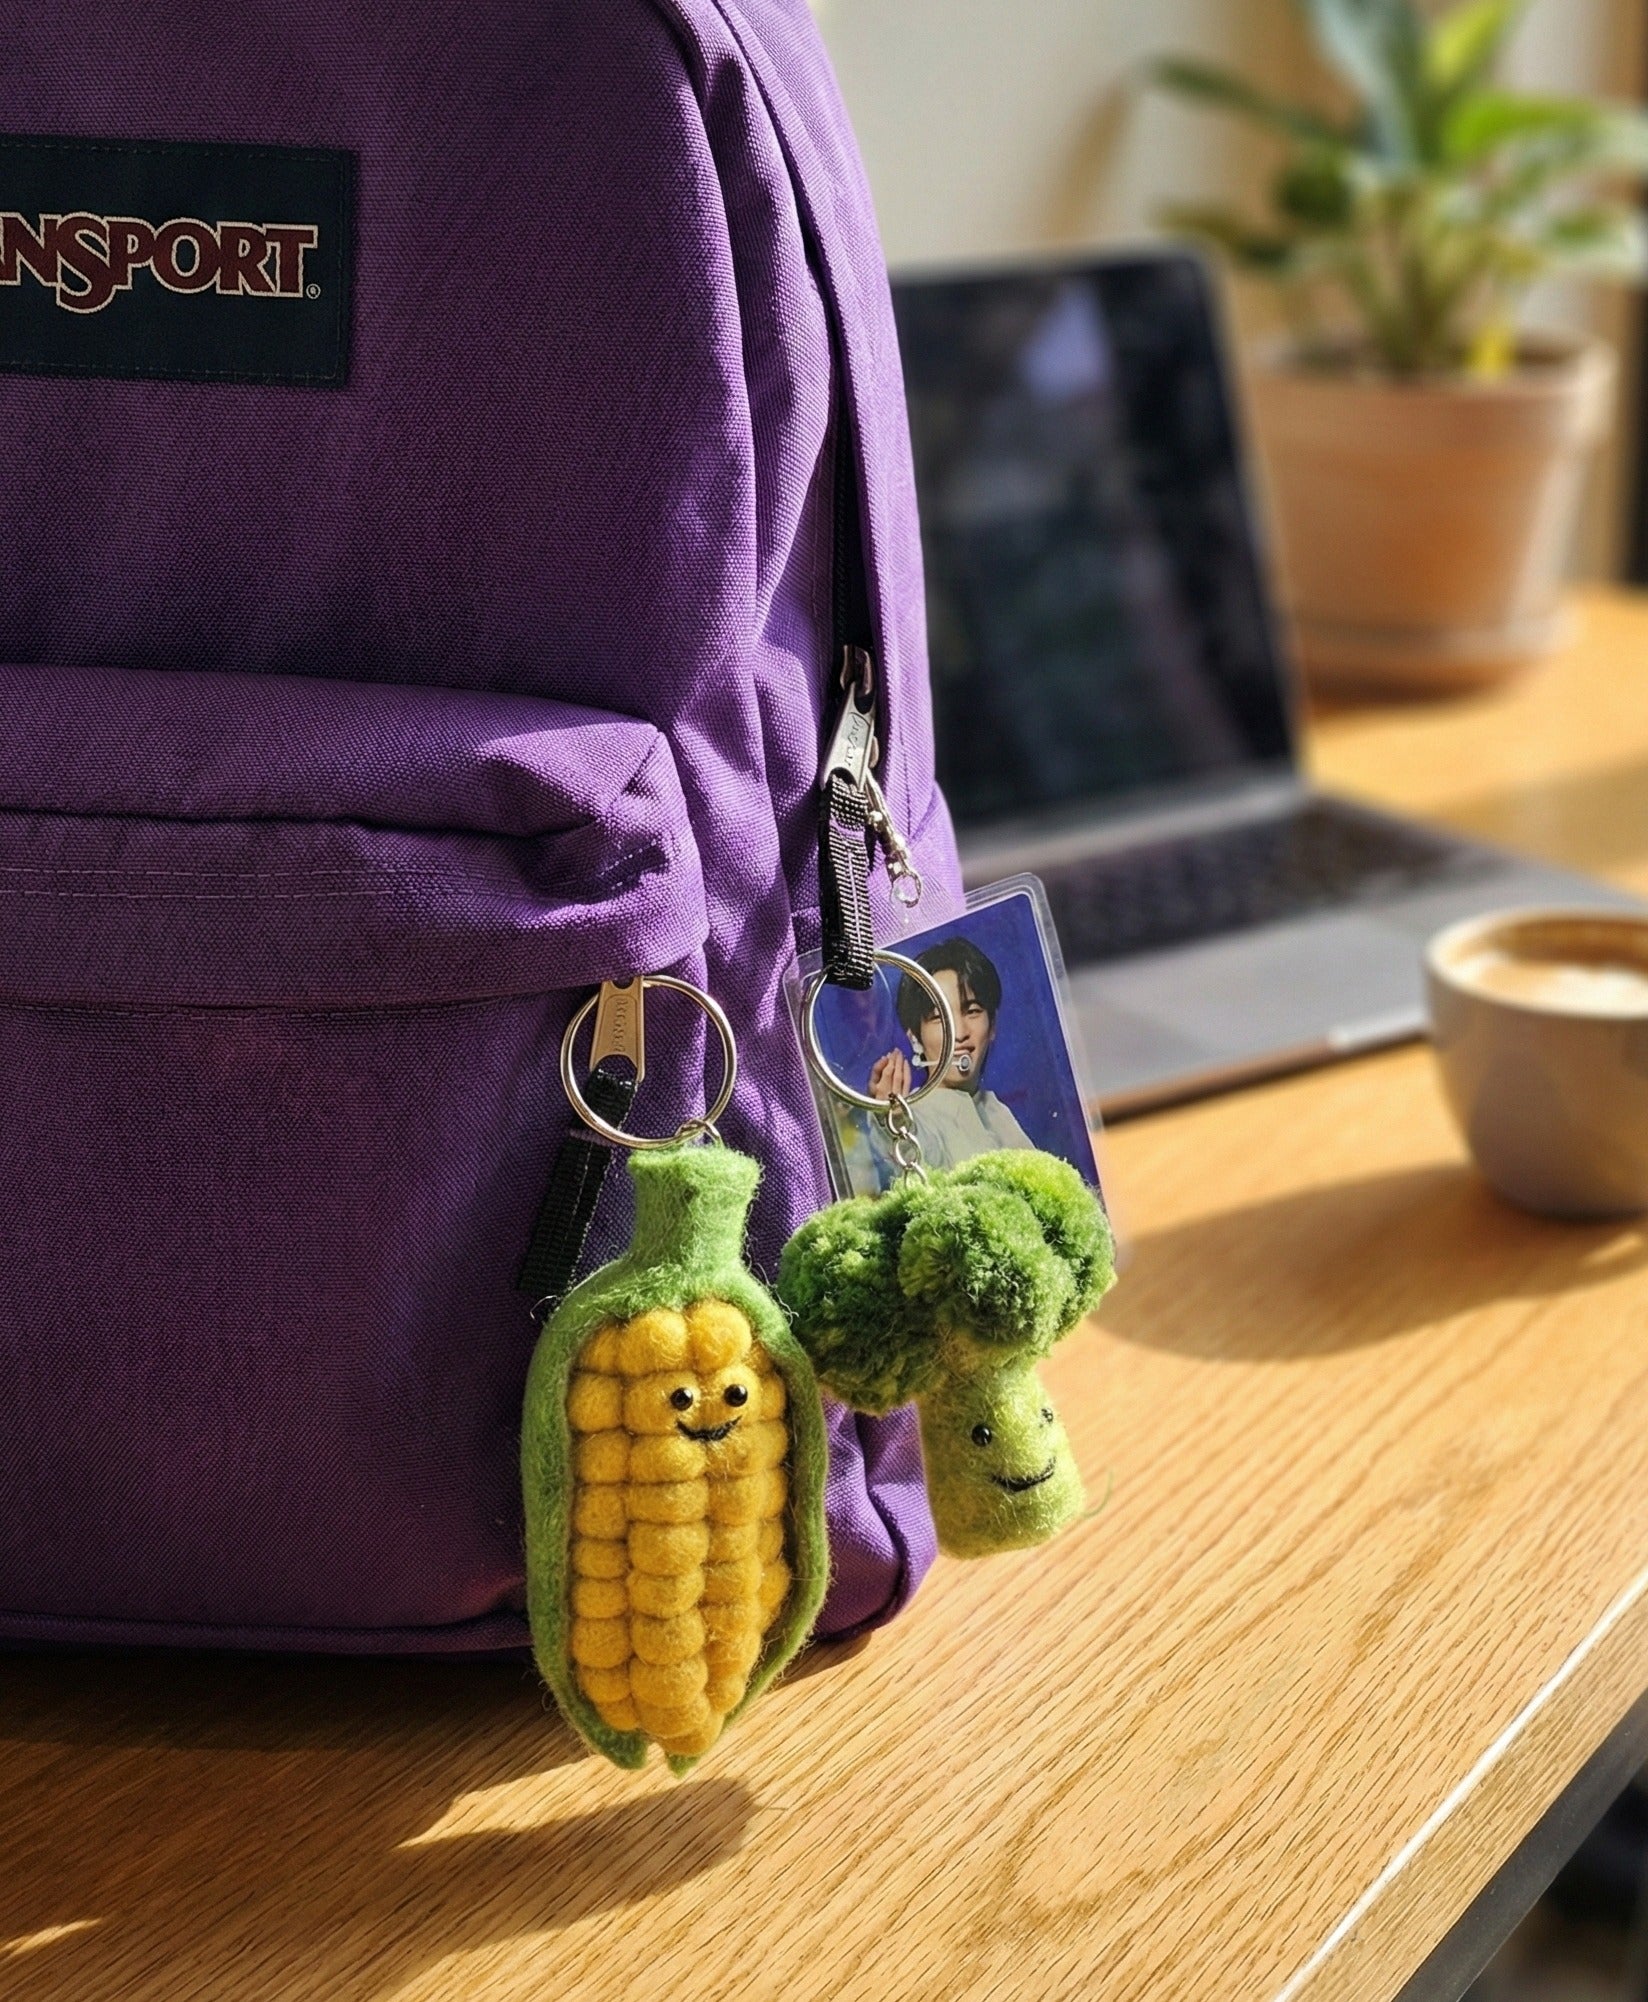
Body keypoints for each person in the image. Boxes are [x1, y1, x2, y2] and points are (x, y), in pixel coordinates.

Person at [865, 936, 1032, 1175]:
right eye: (938, 1018)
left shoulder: (995, 1109)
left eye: (972, 1011)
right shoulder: (919, 1116)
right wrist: (892, 1120)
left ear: (992, 1025)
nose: (960, 1033)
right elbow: (915, 1154)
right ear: (915, 1037)